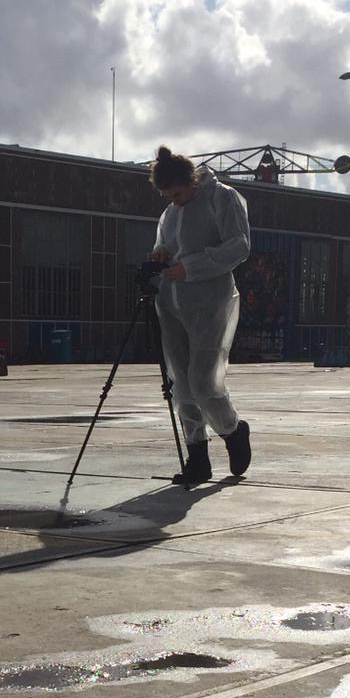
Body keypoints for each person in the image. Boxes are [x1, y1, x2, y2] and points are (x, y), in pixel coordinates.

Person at [149, 145, 252, 486]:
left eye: (177, 193)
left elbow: (239, 245)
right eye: (167, 196)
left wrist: (191, 267)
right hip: (172, 302)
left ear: (191, 180)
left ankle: (232, 429)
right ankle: (197, 458)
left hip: (210, 302)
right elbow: (166, 245)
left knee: (204, 381)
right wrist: (161, 253)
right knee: (181, 384)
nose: (173, 201)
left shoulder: (222, 198)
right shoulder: (170, 214)